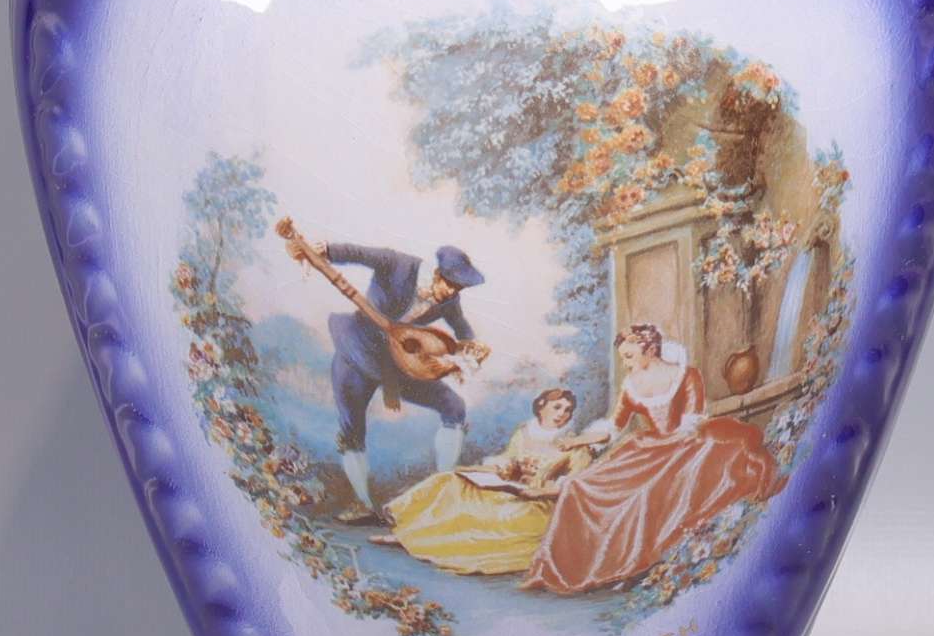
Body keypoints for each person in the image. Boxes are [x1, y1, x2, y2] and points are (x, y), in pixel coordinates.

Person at [522, 325, 778, 596]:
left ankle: (630, 567)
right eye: (623, 358)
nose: (626, 364)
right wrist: (578, 441)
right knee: (580, 484)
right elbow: (614, 428)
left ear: (651, 350)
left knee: (643, 495)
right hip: (648, 449)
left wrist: (668, 449)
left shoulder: (686, 375)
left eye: (629, 356)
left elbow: (691, 425)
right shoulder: (631, 386)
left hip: (688, 448)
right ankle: (586, 567)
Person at [308, 239, 486, 523]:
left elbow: (461, 328)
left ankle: (442, 494)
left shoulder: (449, 301)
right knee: (352, 429)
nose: (453, 292)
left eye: (459, 288)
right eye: (450, 284)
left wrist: (471, 348)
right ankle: (362, 504)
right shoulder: (399, 265)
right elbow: (360, 253)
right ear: (437, 273)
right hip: (358, 351)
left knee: (453, 406)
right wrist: (326, 251)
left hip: (402, 362)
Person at [374, 387, 594, 577]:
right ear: (541, 406)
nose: (562, 414)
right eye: (557, 407)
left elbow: (573, 485)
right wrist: (482, 470)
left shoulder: (576, 446)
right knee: (449, 481)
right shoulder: (524, 433)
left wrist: (539, 493)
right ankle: (407, 533)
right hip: (512, 489)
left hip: (538, 503)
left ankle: (420, 541)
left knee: (496, 514)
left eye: (567, 410)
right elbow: (508, 462)